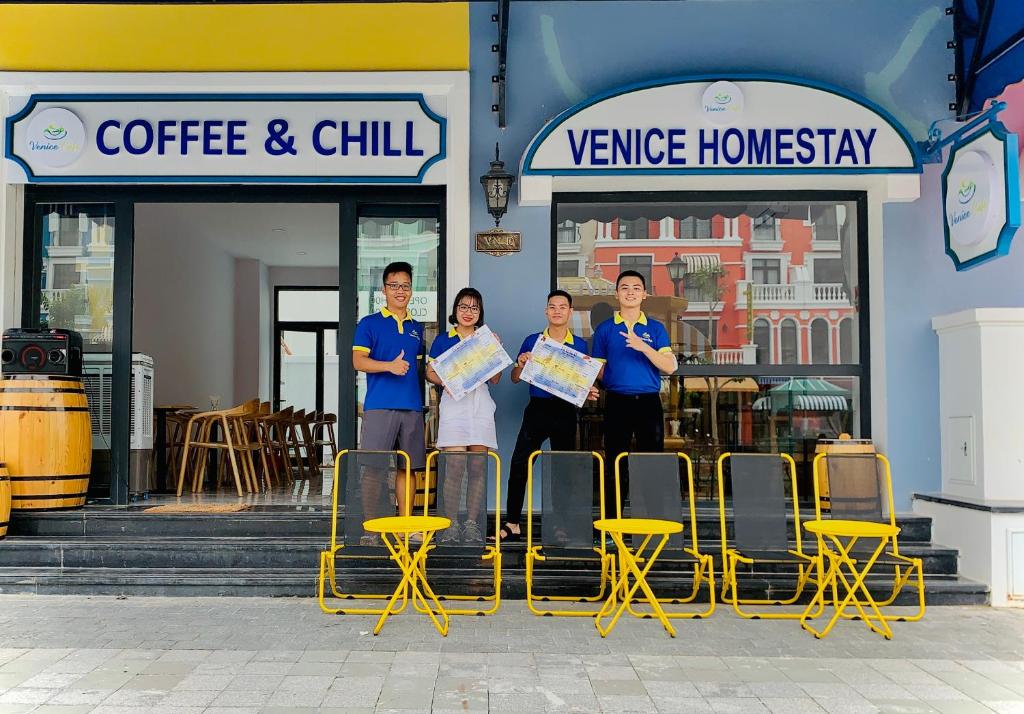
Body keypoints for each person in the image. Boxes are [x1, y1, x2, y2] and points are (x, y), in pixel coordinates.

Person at [495, 289, 596, 543]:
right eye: (552, 306)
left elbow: (580, 385)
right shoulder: (533, 341)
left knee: (562, 469)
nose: (557, 311)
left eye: (562, 307)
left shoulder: (580, 345)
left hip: (565, 411)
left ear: (570, 312)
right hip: (537, 408)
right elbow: (515, 378)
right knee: (519, 463)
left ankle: (561, 525)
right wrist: (521, 364)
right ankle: (512, 523)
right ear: (546, 311)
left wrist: (588, 391)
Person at [591, 270, 678, 516]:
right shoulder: (605, 329)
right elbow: (597, 369)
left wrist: (644, 347)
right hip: (616, 402)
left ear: (644, 294)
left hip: (648, 404)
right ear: (616, 294)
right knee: (615, 464)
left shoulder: (656, 328)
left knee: (652, 463)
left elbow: (670, 366)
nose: (630, 292)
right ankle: (612, 525)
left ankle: (653, 522)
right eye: (625, 287)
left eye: (636, 288)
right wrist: (603, 380)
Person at [351, 261, 425, 545]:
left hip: (412, 407)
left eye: (405, 286)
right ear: (384, 290)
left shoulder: (417, 328)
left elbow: (424, 368)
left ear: (411, 290)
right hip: (379, 405)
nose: (400, 291)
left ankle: (405, 526)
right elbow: (358, 361)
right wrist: (389, 366)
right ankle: (371, 529)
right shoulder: (369, 323)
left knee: (409, 469)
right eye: (394, 285)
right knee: (373, 468)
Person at [426, 288, 502, 544]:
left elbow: (496, 378)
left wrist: (495, 350)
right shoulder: (443, 339)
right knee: (455, 466)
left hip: (480, 405)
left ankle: (471, 523)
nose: (468, 312)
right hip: (454, 405)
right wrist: (445, 381)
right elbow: (430, 372)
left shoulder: (486, 338)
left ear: (480, 313)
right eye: (463, 307)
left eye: (474, 308)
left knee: (478, 466)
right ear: (455, 310)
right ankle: (451, 524)